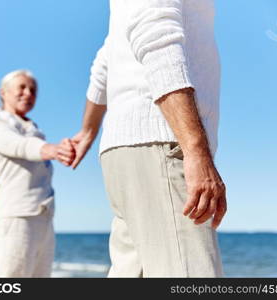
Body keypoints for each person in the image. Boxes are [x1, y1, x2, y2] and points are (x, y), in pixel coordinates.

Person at [71, 0, 227, 277]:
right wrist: (194, 148)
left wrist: (87, 131)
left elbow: (107, 59)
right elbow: (155, 33)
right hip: (161, 144)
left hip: (128, 150)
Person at [0, 70, 75, 277]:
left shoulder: (33, 130)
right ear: (3, 93)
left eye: (33, 90)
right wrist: (54, 150)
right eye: (22, 87)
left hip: (43, 219)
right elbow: (22, 146)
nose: (28, 93)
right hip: (16, 220)